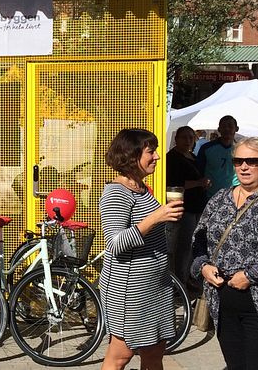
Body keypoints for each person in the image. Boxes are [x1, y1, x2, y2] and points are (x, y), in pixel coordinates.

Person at [190, 137, 258, 369]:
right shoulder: (219, 199)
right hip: (221, 303)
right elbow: (198, 239)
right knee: (234, 365)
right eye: (238, 160)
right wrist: (203, 266)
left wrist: (249, 275)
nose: (244, 166)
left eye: (252, 161)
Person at [99, 128, 184, 370]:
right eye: (151, 151)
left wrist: (162, 219)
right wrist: (155, 218)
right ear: (131, 156)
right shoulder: (116, 193)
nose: (157, 156)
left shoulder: (141, 188)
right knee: (121, 354)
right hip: (129, 290)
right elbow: (114, 243)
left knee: (155, 350)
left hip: (155, 286)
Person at [165, 126, 210, 295]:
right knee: (182, 247)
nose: (188, 141)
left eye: (191, 138)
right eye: (184, 137)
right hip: (183, 208)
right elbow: (174, 184)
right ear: (176, 139)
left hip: (197, 206)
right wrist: (199, 183)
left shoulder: (192, 156)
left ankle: (186, 279)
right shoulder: (173, 158)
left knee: (191, 246)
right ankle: (179, 283)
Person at [196, 115, 239, 199]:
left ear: (236, 129)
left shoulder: (241, 149)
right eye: (223, 126)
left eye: (230, 126)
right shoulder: (206, 148)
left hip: (234, 196)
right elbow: (198, 171)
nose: (227, 129)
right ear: (219, 129)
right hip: (210, 197)